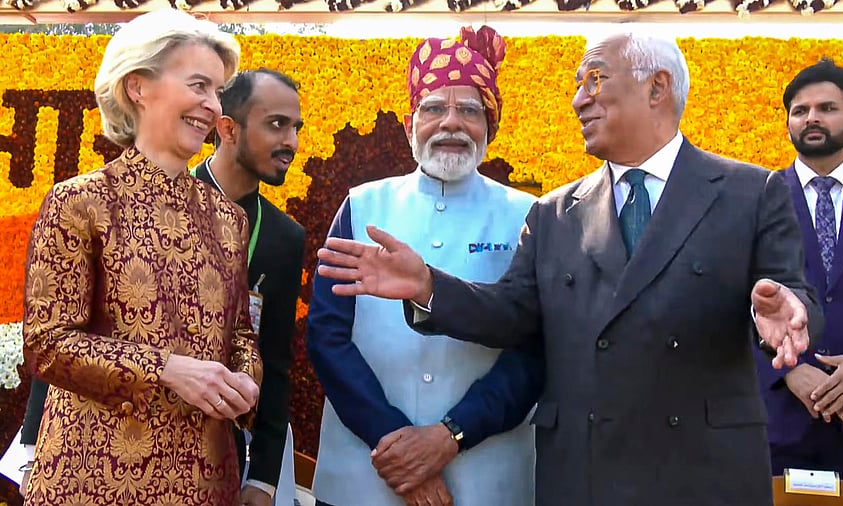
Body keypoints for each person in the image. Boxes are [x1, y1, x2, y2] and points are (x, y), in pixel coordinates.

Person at [316, 31, 825, 506]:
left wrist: (787, 315)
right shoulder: (556, 212)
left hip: (701, 473)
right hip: (583, 475)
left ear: (657, 87)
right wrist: (430, 287)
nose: (579, 99)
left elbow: (792, 296)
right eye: (578, 85)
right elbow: (514, 317)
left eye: (595, 80)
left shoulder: (749, 193)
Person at [21, 9, 262, 505]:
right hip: (91, 480)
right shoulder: (80, 202)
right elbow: (47, 345)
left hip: (204, 481)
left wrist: (244, 380)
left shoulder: (228, 220)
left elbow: (237, 334)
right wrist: (167, 369)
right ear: (138, 87)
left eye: (217, 91)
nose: (212, 106)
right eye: (199, 85)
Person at [307, 25, 543, 506]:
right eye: (434, 108)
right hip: (364, 471)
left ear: (489, 126)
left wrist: (448, 437)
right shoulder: (362, 205)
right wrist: (394, 441)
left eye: (469, 111)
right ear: (412, 122)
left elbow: (536, 350)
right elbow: (327, 336)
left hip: (486, 475)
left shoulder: (530, 215)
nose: (450, 123)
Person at [755, 58, 843, 499]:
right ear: (788, 125)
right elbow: (727, 301)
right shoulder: (755, 199)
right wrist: (789, 371)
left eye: (827, 108)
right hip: (780, 422)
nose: (812, 118)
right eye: (800, 111)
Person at [192, 68, 307, 506]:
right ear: (228, 129)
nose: (291, 143)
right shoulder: (162, 203)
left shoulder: (284, 237)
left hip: (230, 455)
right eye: (276, 124)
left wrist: (262, 480)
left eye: (295, 128)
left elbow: (276, 367)